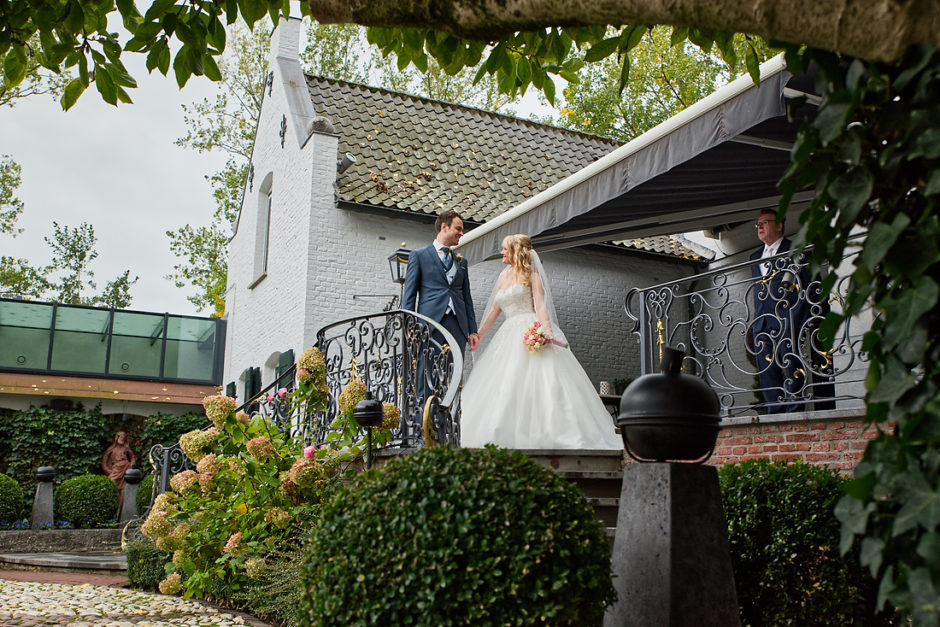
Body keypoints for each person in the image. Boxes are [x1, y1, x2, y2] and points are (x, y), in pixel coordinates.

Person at [461, 234, 622, 450]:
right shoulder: (502, 276)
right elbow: (494, 310)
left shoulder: (532, 275)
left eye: (505, 249)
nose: (501, 253)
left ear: (516, 251)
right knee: (505, 382)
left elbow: (540, 305)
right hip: (508, 332)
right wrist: (478, 334)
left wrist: (546, 331)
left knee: (542, 381)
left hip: (530, 327)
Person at [748, 209, 813, 413]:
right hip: (763, 322)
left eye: (765, 222)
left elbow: (808, 285)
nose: (760, 227)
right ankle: (774, 411)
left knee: (792, 365)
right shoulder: (754, 257)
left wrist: (801, 318)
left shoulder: (795, 249)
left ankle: (795, 410)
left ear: (779, 225)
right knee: (766, 370)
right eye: (758, 224)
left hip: (788, 320)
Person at [402, 209, 480, 353]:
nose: (462, 233)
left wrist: (473, 330)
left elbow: (467, 298)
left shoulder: (461, 262)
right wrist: (410, 327)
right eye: (458, 228)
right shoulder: (419, 256)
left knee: (455, 372)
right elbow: (409, 296)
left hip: (458, 325)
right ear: (444, 227)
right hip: (428, 324)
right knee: (425, 373)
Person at [102, 430, 136, 508]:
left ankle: (119, 509)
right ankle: (110, 507)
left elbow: (132, 457)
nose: (122, 439)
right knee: (111, 484)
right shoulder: (111, 449)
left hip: (125, 468)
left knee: (123, 490)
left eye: (123, 437)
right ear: (117, 438)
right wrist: (107, 469)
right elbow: (105, 459)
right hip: (116, 469)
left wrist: (132, 464)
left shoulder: (126, 448)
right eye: (121, 437)